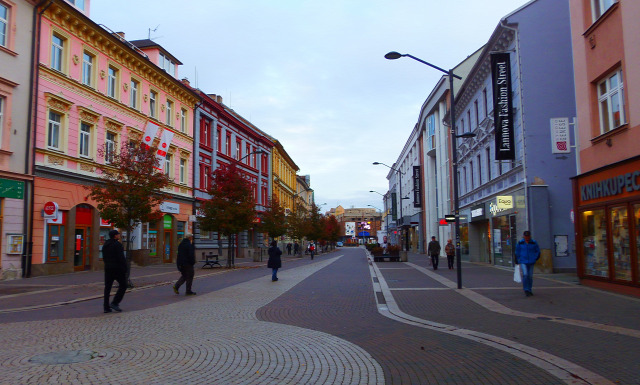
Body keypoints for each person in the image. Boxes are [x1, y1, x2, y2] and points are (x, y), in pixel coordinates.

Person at [103, 229, 127, 313]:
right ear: (115, 236)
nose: (119, 235)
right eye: (118, 234)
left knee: (107, 288)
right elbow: (121, 258)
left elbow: (104, 257)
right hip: (117, 269)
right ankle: (115, 302)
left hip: (108, 268)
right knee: (123, 285)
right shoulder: (118, 245)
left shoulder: (105, 245)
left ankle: (106, 307)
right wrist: (124, 268)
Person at [515, 230, 541, 297]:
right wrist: (517, 259)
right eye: (525, 236)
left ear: (530, 236)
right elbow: (517, 251)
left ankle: (529, 289)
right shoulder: (520, 243)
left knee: (530, 276)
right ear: (523, 236)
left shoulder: (533, 243)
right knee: (525, 274)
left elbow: (537, 251)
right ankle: (526, 289)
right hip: (523, 261)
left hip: (531, 261)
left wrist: (535, 258)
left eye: (528, 236)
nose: (527, 237)